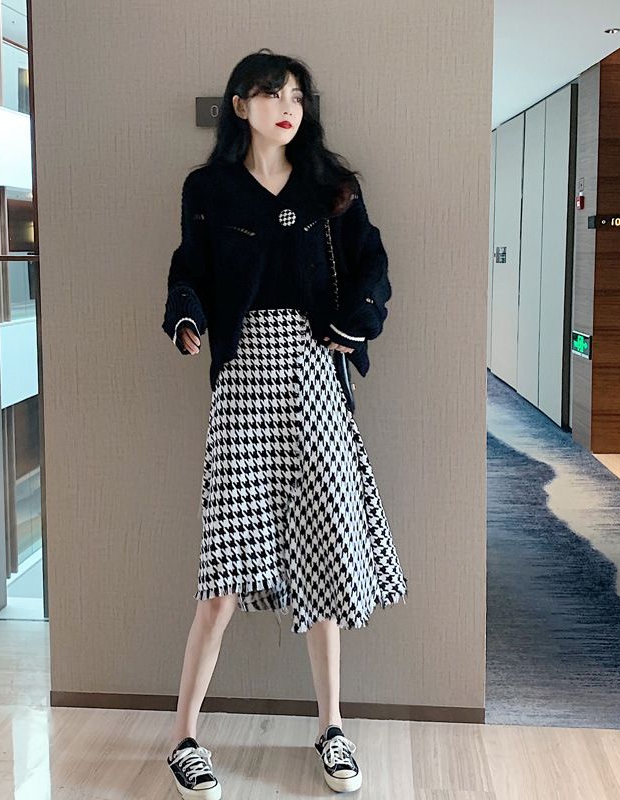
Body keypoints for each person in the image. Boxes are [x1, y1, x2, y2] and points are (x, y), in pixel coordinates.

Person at [162, 49, 408, 799]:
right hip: (243, 379)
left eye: (296, 95)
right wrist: (186, 317)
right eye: (271, 93)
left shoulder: (332, 187)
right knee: (223, 575)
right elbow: (189, 268)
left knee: (325, 554)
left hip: (315, 375)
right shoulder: (209, 188)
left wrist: (355, 324)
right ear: (240, 105)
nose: (287, 107)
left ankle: (332, 728)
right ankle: (183, 738)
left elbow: (373, 266)